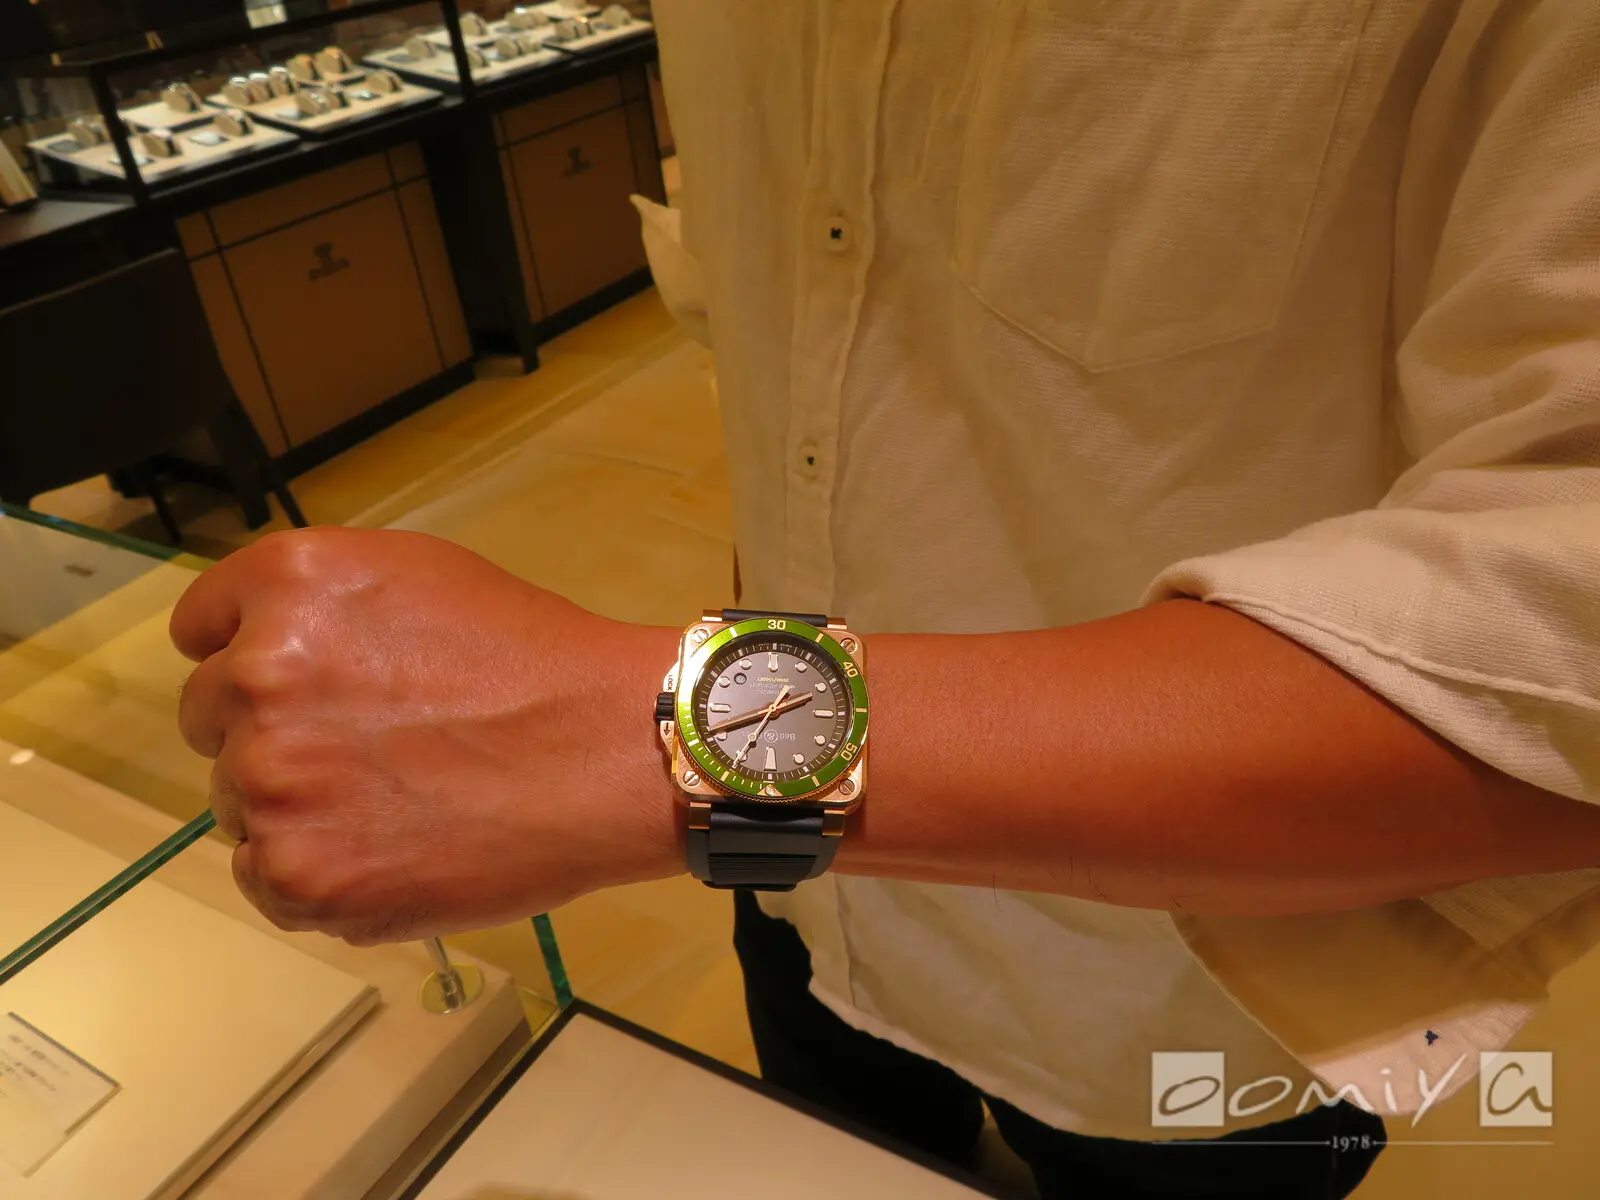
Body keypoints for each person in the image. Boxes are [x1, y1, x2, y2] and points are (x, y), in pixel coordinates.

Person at [171, 2, 1600, 1196]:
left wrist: (649, 737)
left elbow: (1559, 656)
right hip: (792, 898)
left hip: (1187, 986)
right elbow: (794, 373)